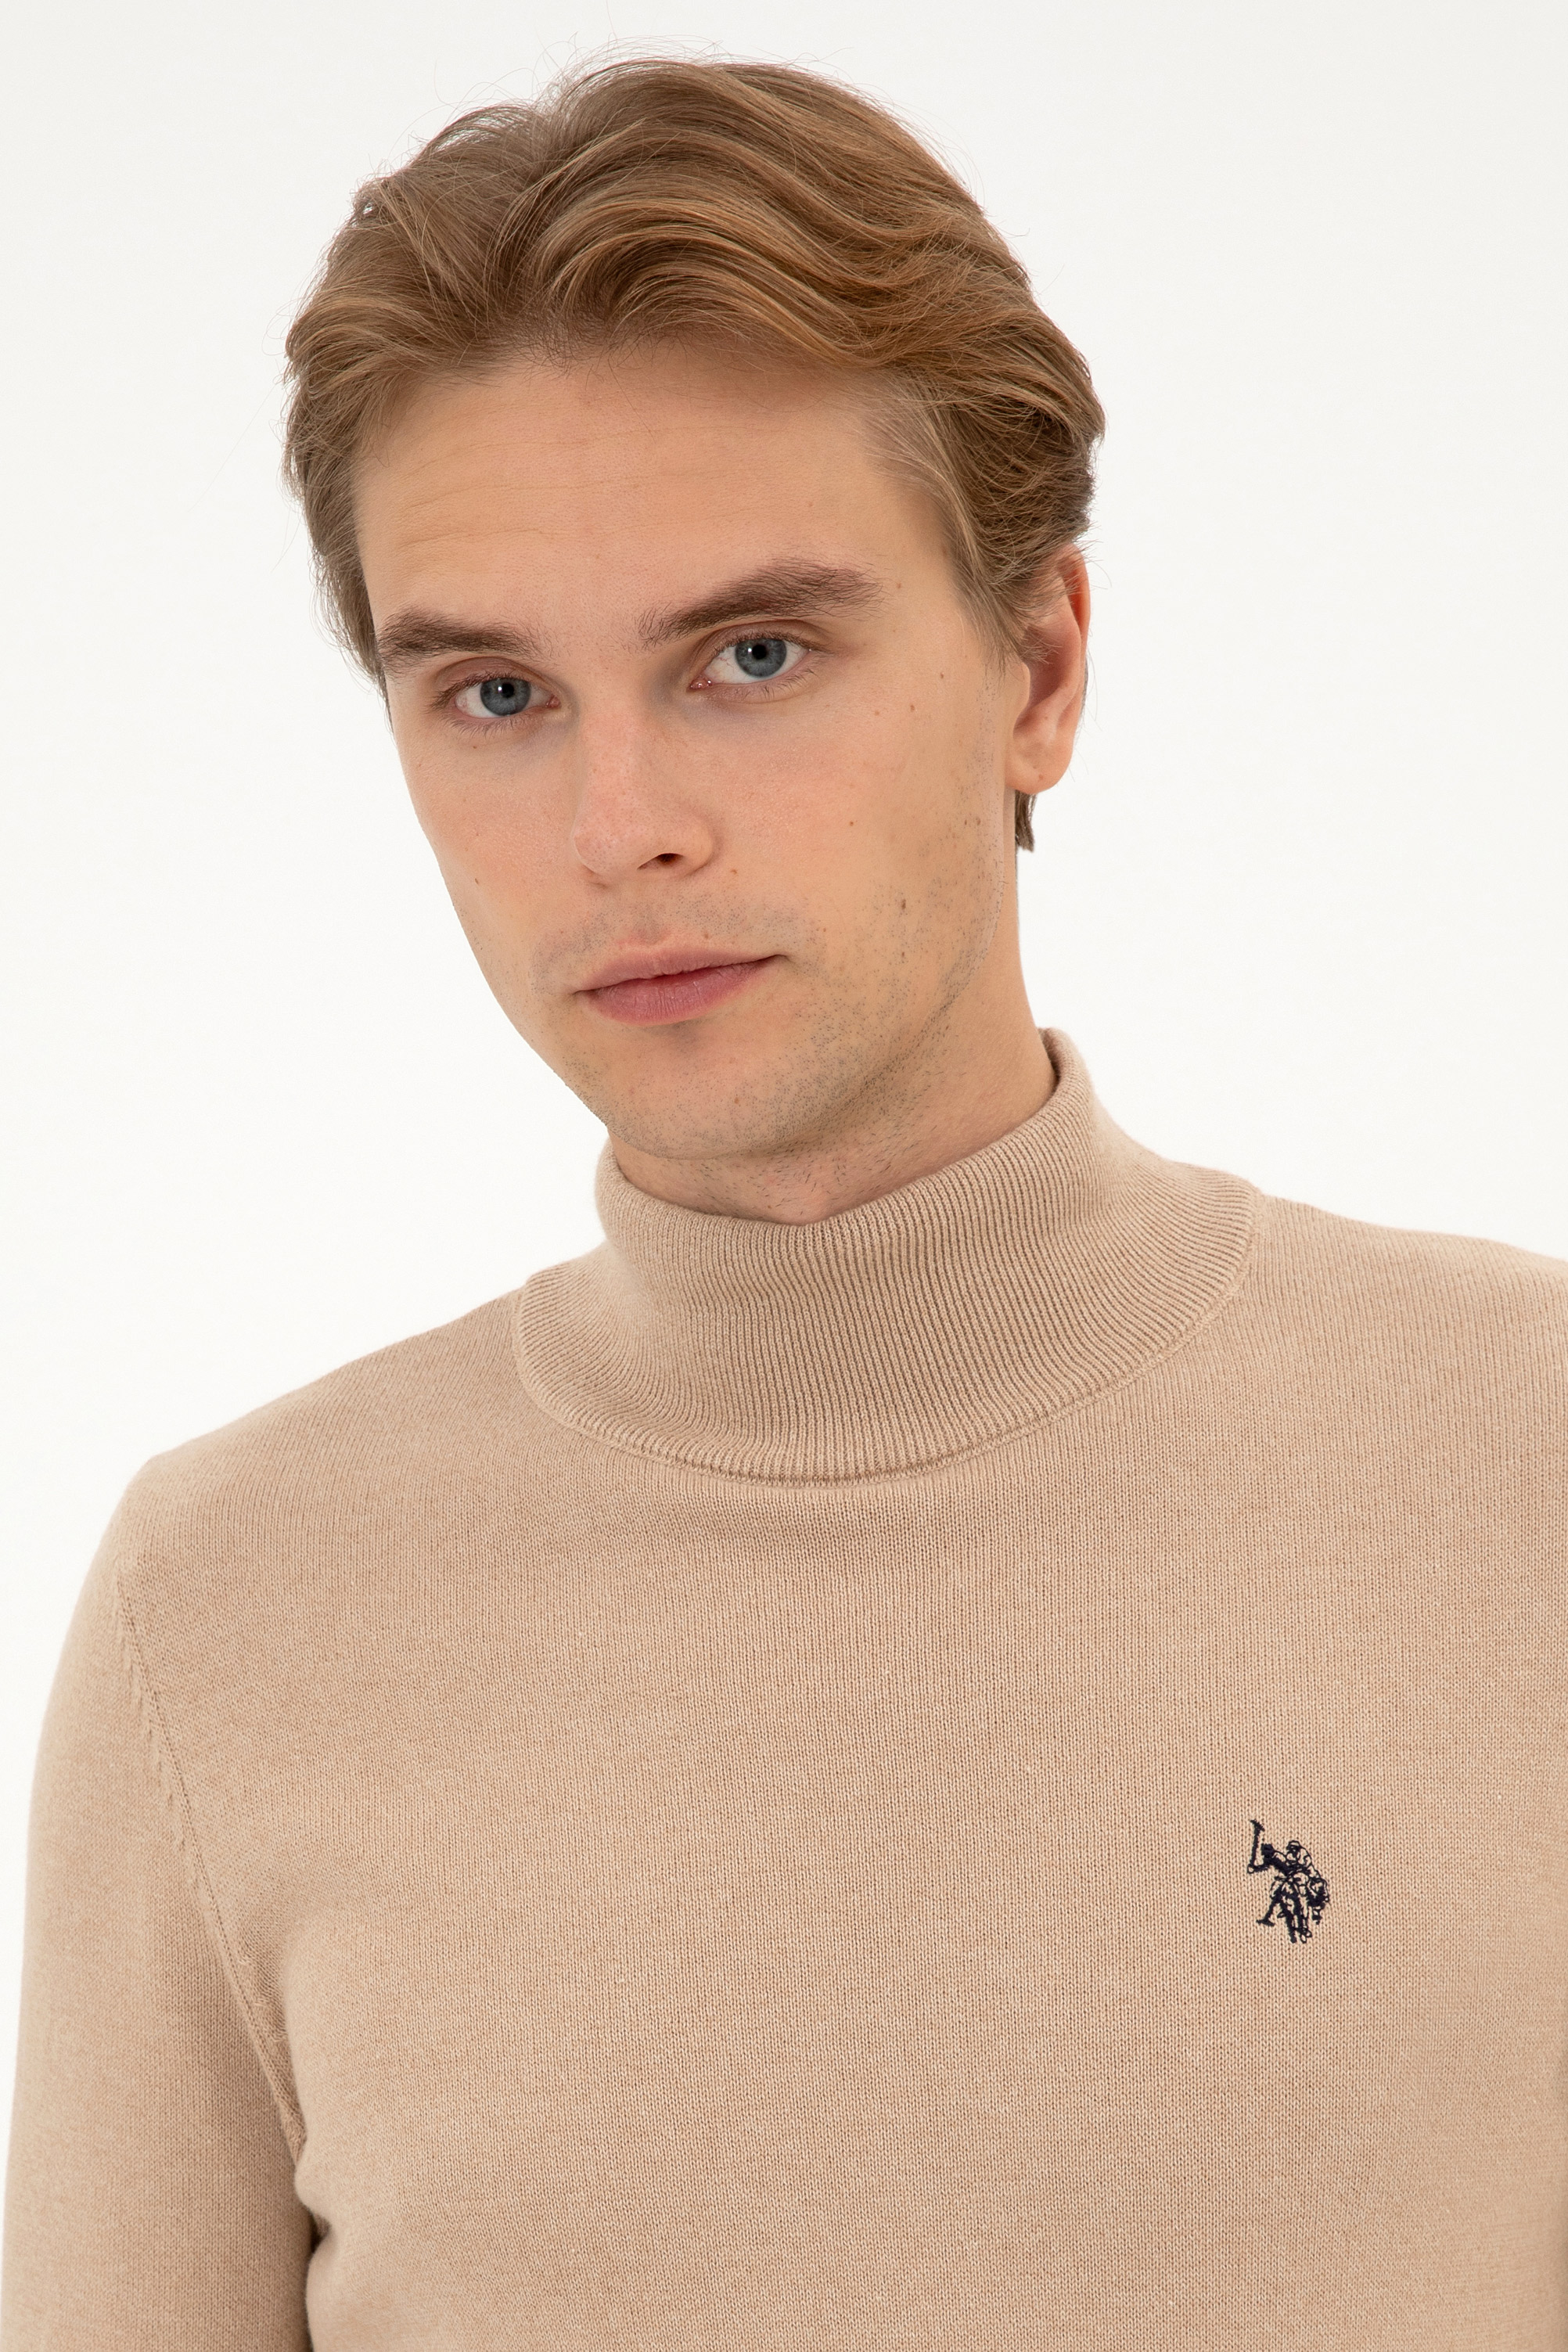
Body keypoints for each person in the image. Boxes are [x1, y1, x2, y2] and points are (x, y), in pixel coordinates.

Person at [3, 54, 1566, 2350]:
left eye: (752, 656)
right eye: (497, 692)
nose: (620, 822)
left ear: (1038, 669)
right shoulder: (227, 1612)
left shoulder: (1516, 1458)